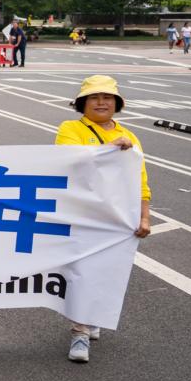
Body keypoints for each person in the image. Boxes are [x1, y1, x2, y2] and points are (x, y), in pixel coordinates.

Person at [54, 75, 151, 363]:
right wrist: (110, 149)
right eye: (94, 97)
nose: (101, 102)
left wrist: (144, 216)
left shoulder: (131, 136)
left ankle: (92, 316)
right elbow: (69, 159)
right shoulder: (70, 128)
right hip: (82, 215)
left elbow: (141, 181)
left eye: (107, 97)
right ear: (82, 103)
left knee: (108, 272)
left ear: (117, 103)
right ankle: (79, 332)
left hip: (117, 218)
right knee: (81, 271)